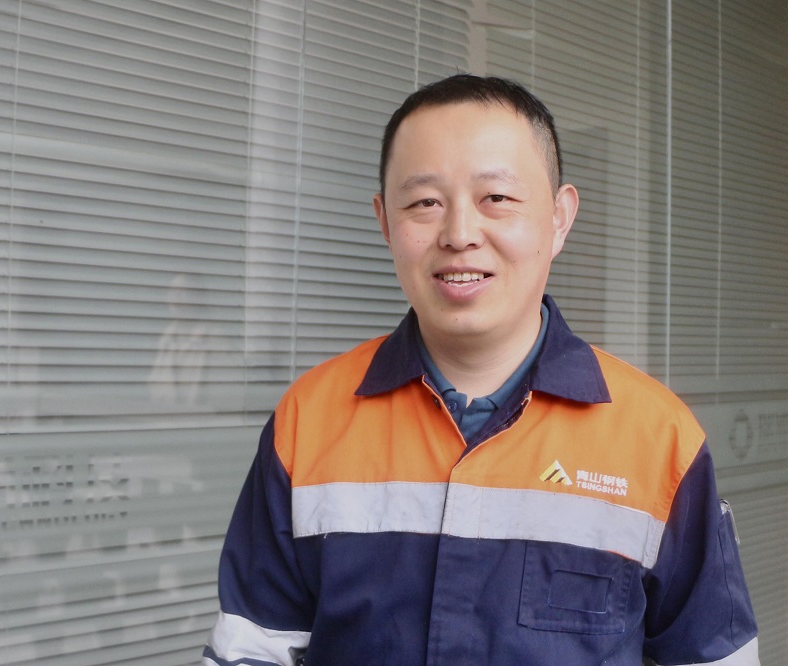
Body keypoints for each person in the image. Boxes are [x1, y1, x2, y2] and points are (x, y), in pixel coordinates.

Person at [202, 74, 759, 666]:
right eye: (425, 203)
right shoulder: (310, 421)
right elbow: (252, 649)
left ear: (559, 218)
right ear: (385, 222)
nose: (460, 235)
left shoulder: (657, 437)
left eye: (496, 197)